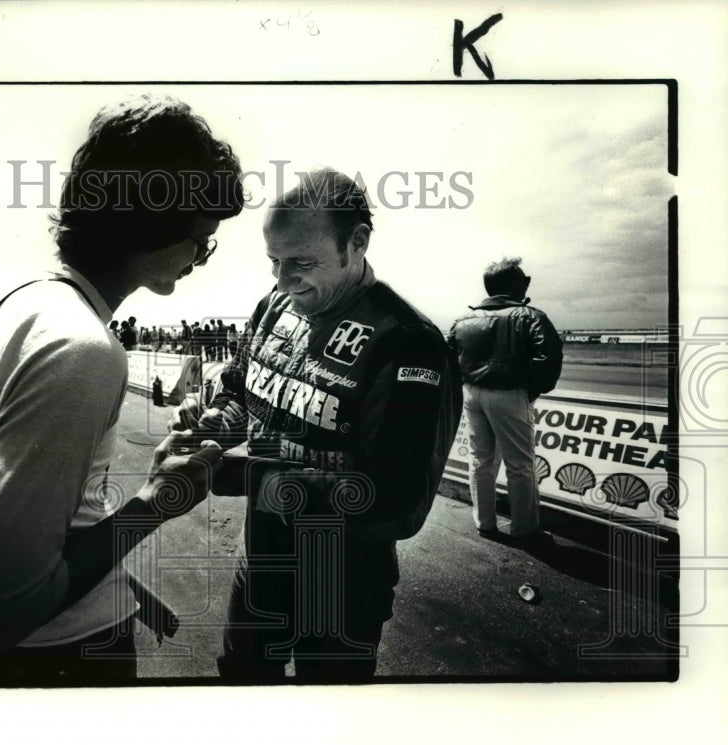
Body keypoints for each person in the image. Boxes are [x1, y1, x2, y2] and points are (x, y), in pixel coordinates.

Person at [0, 94, 245, 684]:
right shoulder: (82, 351)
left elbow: (22, 506)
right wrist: (158, 501)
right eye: (201, 240)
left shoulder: (6, 307)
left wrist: (122, 585)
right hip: (60, 655)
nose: (199, 260)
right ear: (153, 226)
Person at [158, 168, 462, 682]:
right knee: (241, 684)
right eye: (274, 262)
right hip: (260, 564)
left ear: (357, 243)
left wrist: (235, 476)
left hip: (342, 587)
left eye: (300, 262)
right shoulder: (275, 306)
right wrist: (209, 428)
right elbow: (240, 390)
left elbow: (394, 502)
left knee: (328, 722)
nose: (282, 279)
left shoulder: (407, 341)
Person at [448, 257, 562, 545]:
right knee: (520, 464)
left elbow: (450, 358)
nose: (525, 284)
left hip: (472, 394)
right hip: (510, 395)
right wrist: (533, 389)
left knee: (480, 460)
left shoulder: (463, 319)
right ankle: (524, 529)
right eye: (522, 280)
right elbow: (548, 356)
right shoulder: (530, 316)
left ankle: (484, 523)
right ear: (511, 285)